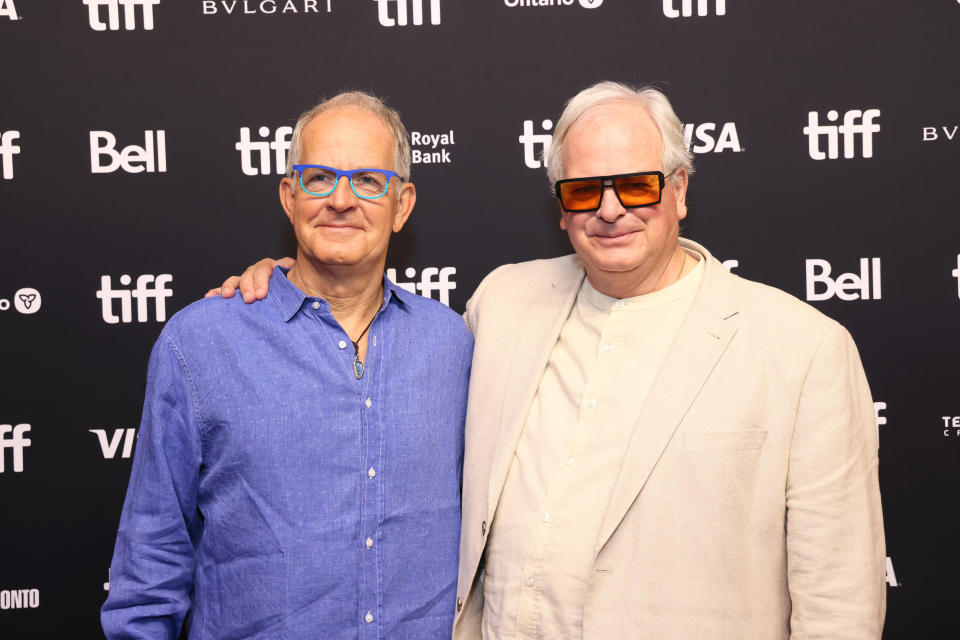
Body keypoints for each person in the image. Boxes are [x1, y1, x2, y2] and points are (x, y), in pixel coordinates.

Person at [217, 81, 886, 639]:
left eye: (638, 185)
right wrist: (288, 280)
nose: (611, 209)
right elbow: (349, 306)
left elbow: (840, 604)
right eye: (584, 190)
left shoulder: (801, 349)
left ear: (679, 189)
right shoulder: (503, 304)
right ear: (561, 209)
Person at [102, 91, 473, 639]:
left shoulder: (455, 345)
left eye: (369, 181)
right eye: (319, 177)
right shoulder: (202, 343)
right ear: (289, 196)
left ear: (403, 205)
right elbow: (151, 565)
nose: (341, 200)